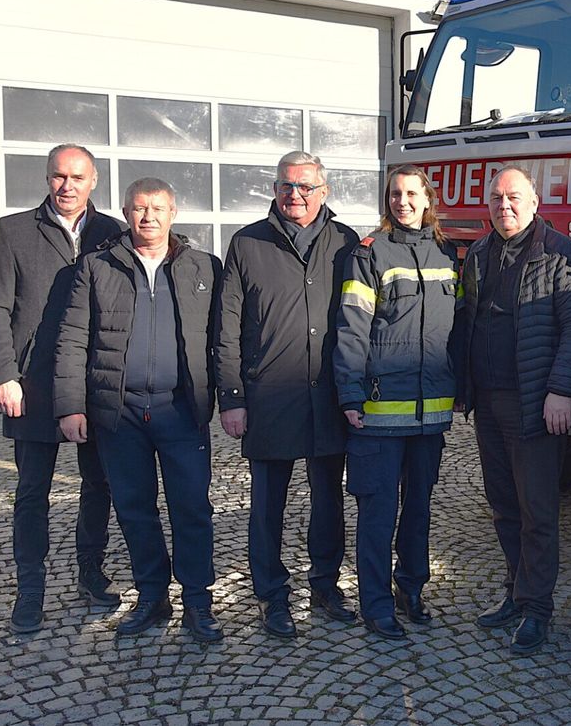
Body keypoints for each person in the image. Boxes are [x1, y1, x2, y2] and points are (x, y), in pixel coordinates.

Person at [53, 178, 223, 642]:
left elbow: (222, 341)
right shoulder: (97, 267)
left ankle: (197, 603)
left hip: (181, 411)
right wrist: (70, 405)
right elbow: (72, 339)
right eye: (139, 209)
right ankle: (152, 596)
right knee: (134, 509)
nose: (148, 217)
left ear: (173, 212)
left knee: (192, 509)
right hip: (119, 413)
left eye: (157, 209)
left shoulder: (204, 266)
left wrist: (230, 399)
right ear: (125, 213)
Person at [0, 143, 122, 633]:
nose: (67, 186)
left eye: (77, 177)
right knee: (32, 491)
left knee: (98, 484)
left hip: (92, 382)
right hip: (32, 386)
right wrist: (4, 374)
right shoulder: (13, 231)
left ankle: (90, 571)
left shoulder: (111, 233)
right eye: (59, 176)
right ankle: (30, 590)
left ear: (93, 181)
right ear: (47, 178)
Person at [216, 151, 362, 639]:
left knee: (328, 499)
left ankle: (325, 585)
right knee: (267, 504)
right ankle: (272, 594)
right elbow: (227, 326)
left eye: (304, 187)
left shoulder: (346, 242)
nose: (294, 195)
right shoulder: (247, 243)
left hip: (328, 395)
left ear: (325, 191)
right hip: (269, 396)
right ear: (273, 190)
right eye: (285, 186)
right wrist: (232, 396)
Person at [456, 166, 571, 654]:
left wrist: (561, 389)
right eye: (495, 198)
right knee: (503, 505)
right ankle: (516, 591)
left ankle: (537, 609)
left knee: (538, 511)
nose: (503, 206)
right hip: (488, 403)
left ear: (535, 202)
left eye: (514, 198)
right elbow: (464, 323)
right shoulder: (478, 252)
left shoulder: (559, 252)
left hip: (534, 403)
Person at [333, 165, 460, 641]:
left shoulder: (448, 255)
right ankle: (377, 605)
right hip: (380, 412)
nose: (402, 201)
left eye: (411, 193)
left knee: (419, 511)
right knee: (378, 513)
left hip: (431, 416)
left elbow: (458, 330)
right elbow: (351, 329)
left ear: (428, 199)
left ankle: (412, 590)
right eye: (394, 194)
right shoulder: (369, 254)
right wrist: (349, 392)